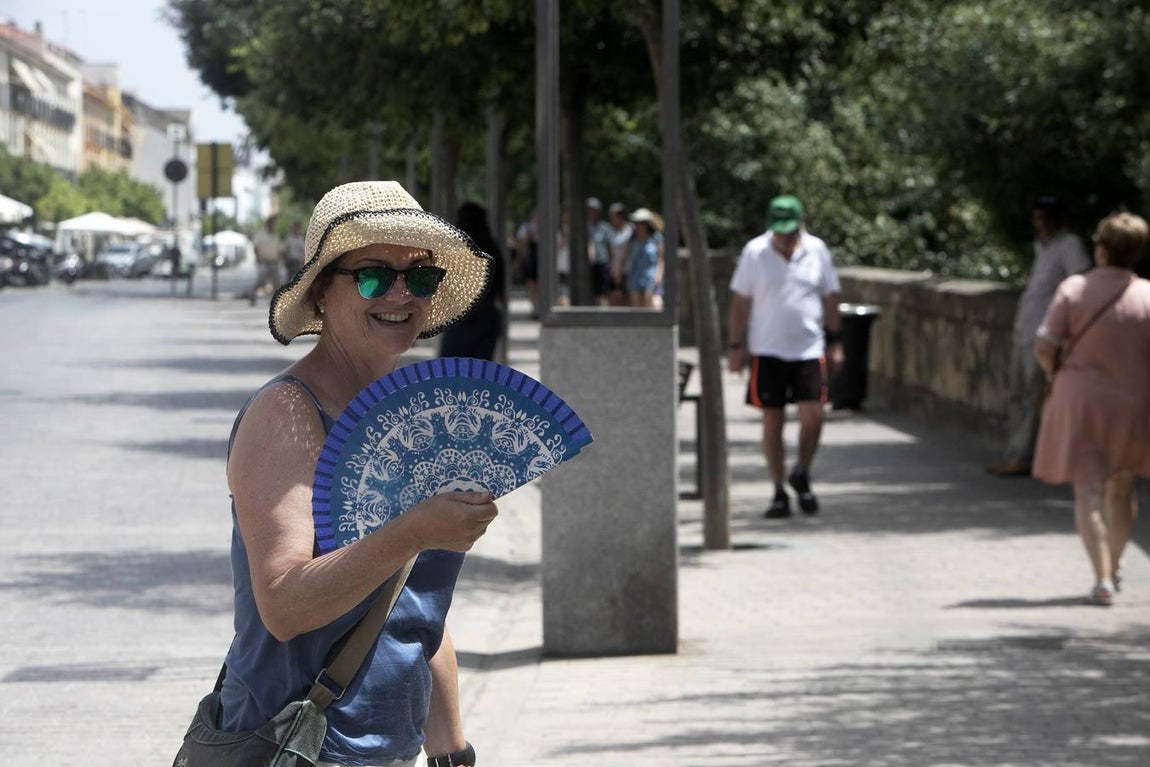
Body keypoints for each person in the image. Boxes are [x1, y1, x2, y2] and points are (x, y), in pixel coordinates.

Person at [224, 181, 496, 767]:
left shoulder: (407, 417)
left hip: (390, 752)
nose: (400, 293)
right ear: (321, 292)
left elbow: (417, 609)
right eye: (373, 274)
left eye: (420, 277)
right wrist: (414, 530)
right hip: (298, 747)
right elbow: (283, 606)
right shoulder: (289, 413)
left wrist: (452, 755)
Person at [1031, 212, 1150, 607]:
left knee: (1089, 490)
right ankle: (1114, 568)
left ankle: (1100, 578)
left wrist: (1055, 373)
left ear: (1101, 248)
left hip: (1080, 399)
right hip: (1133, 403)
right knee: (1122, 486)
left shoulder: (1074, 289)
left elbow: (1044, 347)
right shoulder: (1147, 295)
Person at [726, 194, 843, 518]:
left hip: (808, 348)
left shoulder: (817, 250)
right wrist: (736, 347)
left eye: (790, 231)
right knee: (772, 422)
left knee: (813, 416)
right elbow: (740, 302)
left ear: (801, 225)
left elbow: (831, 296)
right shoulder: (755, 252)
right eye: (779, 231)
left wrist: (835, 342)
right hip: (768, 349)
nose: (784, 238)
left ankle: (801, 470)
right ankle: (778, 489)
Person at [987, 196, 1091, 476]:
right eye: (1038, 219)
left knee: (1033, 395)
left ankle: (1023, 457)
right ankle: (1017, 452)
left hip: (1044, 332)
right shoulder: (1042, 247)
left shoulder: (1069, 245)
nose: (1042, 225)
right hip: (1026, 329)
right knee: (1018, 394)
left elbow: (1079, 285)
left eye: (1047, 219)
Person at [438, 201, 506, 360]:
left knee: (451, 373)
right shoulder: (492, 248)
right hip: (487, 316)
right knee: (479, 375)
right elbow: (500, 287)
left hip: (460, 317)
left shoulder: (455, 250)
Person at [626, 207, 664, 308]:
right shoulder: (631, 239)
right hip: (635, 275)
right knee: (636, 306)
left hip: (650, 274)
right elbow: (627, 257)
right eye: (637, 222)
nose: (639, 225)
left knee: (649, 301)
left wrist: (659, 274)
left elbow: (660, 258)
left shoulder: (656, 238)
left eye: (642, 223)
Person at [249, 214, 285, 306]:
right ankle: (252, 295)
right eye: (270, 224)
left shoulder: (276, 236)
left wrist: (282, 255)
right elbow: (255, 247)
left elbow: (280, 248)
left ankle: (274, 301)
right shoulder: (260, 235)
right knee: (261, 281)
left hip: (274, 261)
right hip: (263, 261)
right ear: (266, 224)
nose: (271, 225)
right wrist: (258, 257)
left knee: (276, 282)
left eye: (272, 224)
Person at [585, 197, 613, 307]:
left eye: (593, 210)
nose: (591, 212)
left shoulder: (604, 227)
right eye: (589, 210)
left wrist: (612, 264)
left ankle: (603, 316)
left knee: (602, 292)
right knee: (590, 292)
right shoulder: (582, 226)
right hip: (587, 266)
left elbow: (610, 247)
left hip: (602, 263)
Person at [607, 202, 633, 306]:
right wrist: (614, 270)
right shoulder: (609, 230)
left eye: (621, 215)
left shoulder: (630, 229)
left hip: (627, 268)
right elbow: (611, 251)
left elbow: (627, 251)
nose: (619, 217)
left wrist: (620, 270)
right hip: (614, 269)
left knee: (626, 296)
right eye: (616, 215)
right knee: (613, 295)